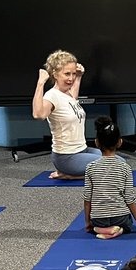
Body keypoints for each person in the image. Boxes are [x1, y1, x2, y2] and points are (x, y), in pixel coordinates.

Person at [32, 49, 101, 179]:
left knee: (119, 161)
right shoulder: (52, 96)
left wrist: (79, 76)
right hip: (66, 157)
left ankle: (74, 173)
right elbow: (38, 114)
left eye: (73, 74)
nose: (71, 78)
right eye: (67, 74)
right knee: (114, 166)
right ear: (55, 74)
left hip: (82, 150)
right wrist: (40, 83)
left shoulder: (67, 93)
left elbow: (73, 97)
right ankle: (70, 175)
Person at [83, 116, 136, 239]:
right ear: (120, 142)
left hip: (99, 219)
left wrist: (88, 222)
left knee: (95, 224)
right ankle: (119, 230)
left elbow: (87, 199)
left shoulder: (90, 167)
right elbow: (129, 198)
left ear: (96, 142)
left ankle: (98, 229)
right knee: (128, 224)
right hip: (120, 218)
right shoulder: (125, 167)